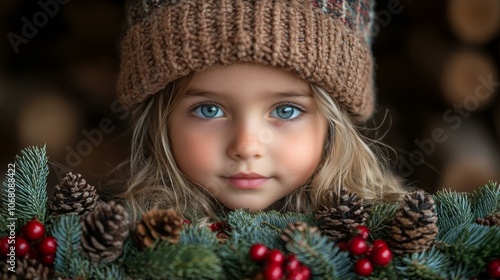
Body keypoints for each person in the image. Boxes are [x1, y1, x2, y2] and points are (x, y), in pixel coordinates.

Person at [115, 0, 406, 222]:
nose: (246, 147)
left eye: (286, 111)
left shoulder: (373, 242)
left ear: (333, 123)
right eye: (209, 110)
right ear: (160, 121)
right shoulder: (129, 241)